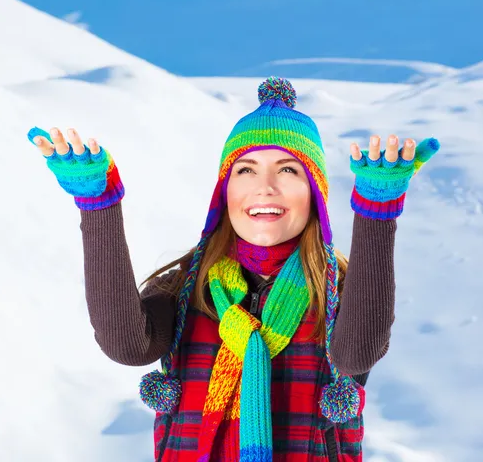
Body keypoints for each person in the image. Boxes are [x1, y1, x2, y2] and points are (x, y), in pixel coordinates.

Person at [27, 77, 440, 462]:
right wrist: (98, 205)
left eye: (288, 170)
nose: (266, 186)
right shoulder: (186, 288)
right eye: (245, 170)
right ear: (225, 192)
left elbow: (355, 355)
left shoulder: (340, 291)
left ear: (313, 193)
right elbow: (127, 346)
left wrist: (377, 213)